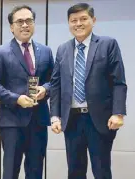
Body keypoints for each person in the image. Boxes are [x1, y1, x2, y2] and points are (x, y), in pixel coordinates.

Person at [50, 3, 127, 179]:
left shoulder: (108, 44)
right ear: (68, 23)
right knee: (75, 172)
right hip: (72, 120)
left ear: (93, 20)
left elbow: (119, 83)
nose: (78, 24)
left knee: (101, 171)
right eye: (73, 20)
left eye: (83, 19)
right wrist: (55, 116)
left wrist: (118, 113)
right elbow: (56, 85)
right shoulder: (63, 49)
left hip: (99, 120)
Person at [0, 5, 54, 179]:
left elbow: (54, 81)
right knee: (10, 171)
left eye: (29, 21)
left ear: (34, 24)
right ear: (11, 27)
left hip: (38, 120)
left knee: (36, 171)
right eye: (20, 21)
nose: (25, 25)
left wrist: (45, 89)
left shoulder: (46, 51)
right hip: (12, 122)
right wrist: (16, 99)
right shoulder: (1, 52)